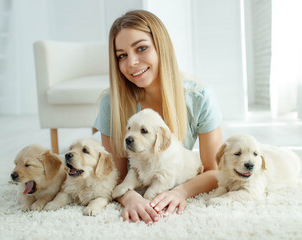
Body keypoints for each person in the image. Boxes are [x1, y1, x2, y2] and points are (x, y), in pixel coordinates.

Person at [94, 10, 222, 224]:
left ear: (161, 47)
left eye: (141, 48)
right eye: (122, 55)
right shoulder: (111, 103)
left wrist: (180, 192)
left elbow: (215, 171)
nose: (132, 62)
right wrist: (130, 197)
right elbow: (114, 175)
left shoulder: (199, 97)